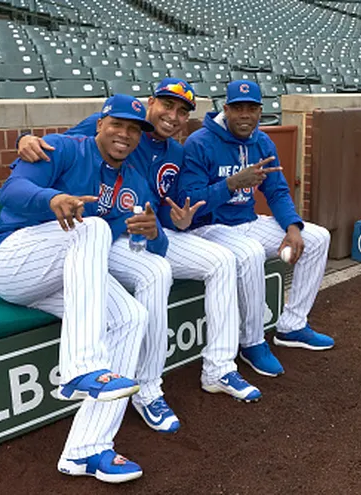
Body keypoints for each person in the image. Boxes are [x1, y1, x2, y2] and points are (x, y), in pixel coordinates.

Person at [17, 79, 262, 422]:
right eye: (166, 106)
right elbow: (57, 144)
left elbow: (166, 211)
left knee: (222, 260)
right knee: (154, 272)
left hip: (140, 232)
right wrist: (23, 139)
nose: (173, 116)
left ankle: (219, 368)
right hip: (98, 232)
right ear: (150, 103)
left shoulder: (177, 152)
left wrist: (178, 219)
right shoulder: (120, 126)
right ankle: (147, 388)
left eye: (182, 112)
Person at [0, 94, 168, 483]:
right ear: (99, 124)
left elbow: (156, 241)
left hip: (58, 279)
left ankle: (87, 449)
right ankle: (81, 367)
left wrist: (155, 233)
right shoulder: (64, 148)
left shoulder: (132, 179)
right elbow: (10, 191)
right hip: (12, 261)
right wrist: (53, 198)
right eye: (117, 124)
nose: (125, 134)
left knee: (132, 316)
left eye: (134, 129)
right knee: (94, 226)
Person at [177, 80, 335, 378]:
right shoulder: (199, 142)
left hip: (247, 222)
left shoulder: (262, 141)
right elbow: (192, 201)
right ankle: (251, 342)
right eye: (238, 108)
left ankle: (292, 325)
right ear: (225, 109)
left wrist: (292, 226)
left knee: (317, 238)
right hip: (208, 227)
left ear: (261, 111)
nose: (245, 115)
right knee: (250, 254)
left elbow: (276, 191)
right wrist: (232, 183)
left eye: (252, 108)